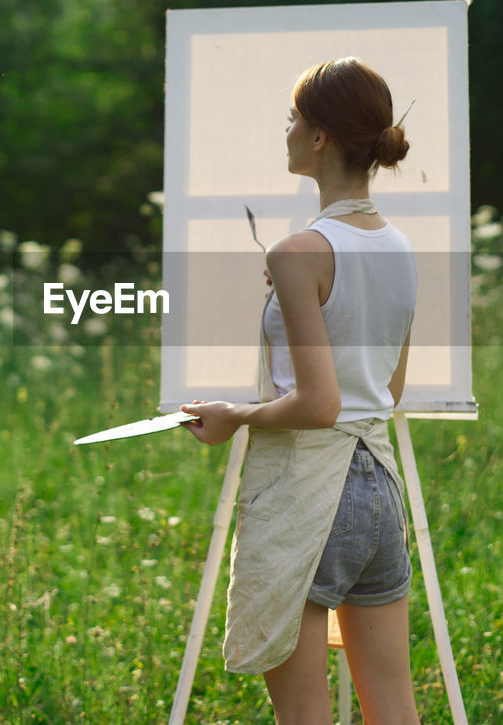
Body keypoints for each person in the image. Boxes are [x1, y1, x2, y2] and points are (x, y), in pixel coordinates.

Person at [181, 57, 422, 724]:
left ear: (319, 137)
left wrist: (234, 415)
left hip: (312, 494)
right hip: (379, 491)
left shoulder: (298, 253)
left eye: (294, 119)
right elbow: (388, 389)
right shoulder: (401, 247)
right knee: (396, 710)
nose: (286, 130)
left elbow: (319, 404)